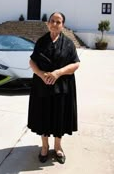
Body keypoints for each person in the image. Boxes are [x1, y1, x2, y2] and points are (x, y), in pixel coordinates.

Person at [27, 12, 80, 164]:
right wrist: (41, 74)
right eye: (52, 21)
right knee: (43, 116)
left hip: (62, 87)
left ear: (63, 25)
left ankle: (58, 147)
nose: (55, 24)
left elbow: (76, 64)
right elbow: (32, 62)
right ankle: (44, 146)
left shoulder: (69, 43)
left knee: (59, 117)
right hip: (42, 87)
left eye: (58, 22)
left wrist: (58, 73)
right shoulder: (41, 41)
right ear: (48, 23)